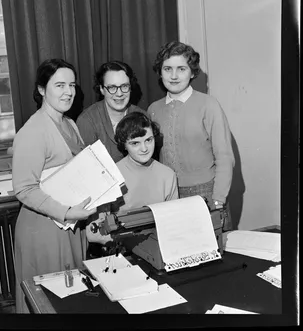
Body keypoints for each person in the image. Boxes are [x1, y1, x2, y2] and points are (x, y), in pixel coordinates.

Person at [12, 59, 97, 313]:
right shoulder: (33, 131)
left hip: (71, 224)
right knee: (50, 302)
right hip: (44, 229)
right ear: (41, 90)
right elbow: (24, 189)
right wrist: (67, 212)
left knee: (73, 298)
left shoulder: (69, 123)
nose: (68, 91)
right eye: (59, 85)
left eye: (71, 84)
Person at [147, 41, 235, 230]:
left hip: (206, 193)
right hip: (168, 196)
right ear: (160, 72)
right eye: (167, 68)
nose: (174, 75)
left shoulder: (208, 105)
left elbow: (225, 157)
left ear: (192, 72)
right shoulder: (153, 109)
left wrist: (218, 199)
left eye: (181, 69)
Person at [86, 111, 178, 246]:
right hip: (121, 248)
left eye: (148, 140)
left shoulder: (168, 175)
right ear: (124, 144)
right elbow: (93, 234)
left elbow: (174, 222)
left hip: (159, 246)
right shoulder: (110, 177)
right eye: (135, 143)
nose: (144, 148)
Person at [76, 60, 146, 163]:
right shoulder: (87, 120)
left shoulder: (142, 116)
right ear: (101, 89)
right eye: (112, 87)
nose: (119, 93)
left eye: (124, 86)